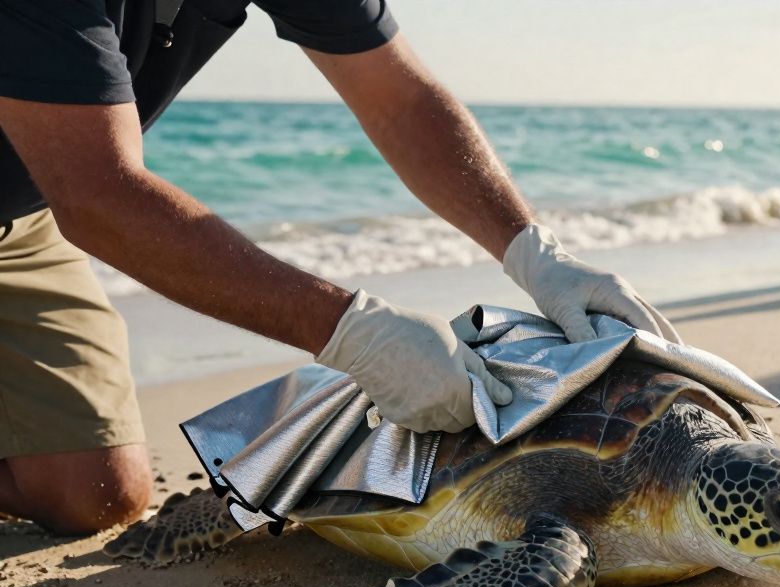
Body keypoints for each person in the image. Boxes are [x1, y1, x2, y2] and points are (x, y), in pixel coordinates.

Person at [0, 0, 679, 536]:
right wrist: (353, 333)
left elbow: (399, 95)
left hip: (20, 218)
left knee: (96, 492)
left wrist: (535, 252)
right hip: (75, 188)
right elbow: (98, 195)